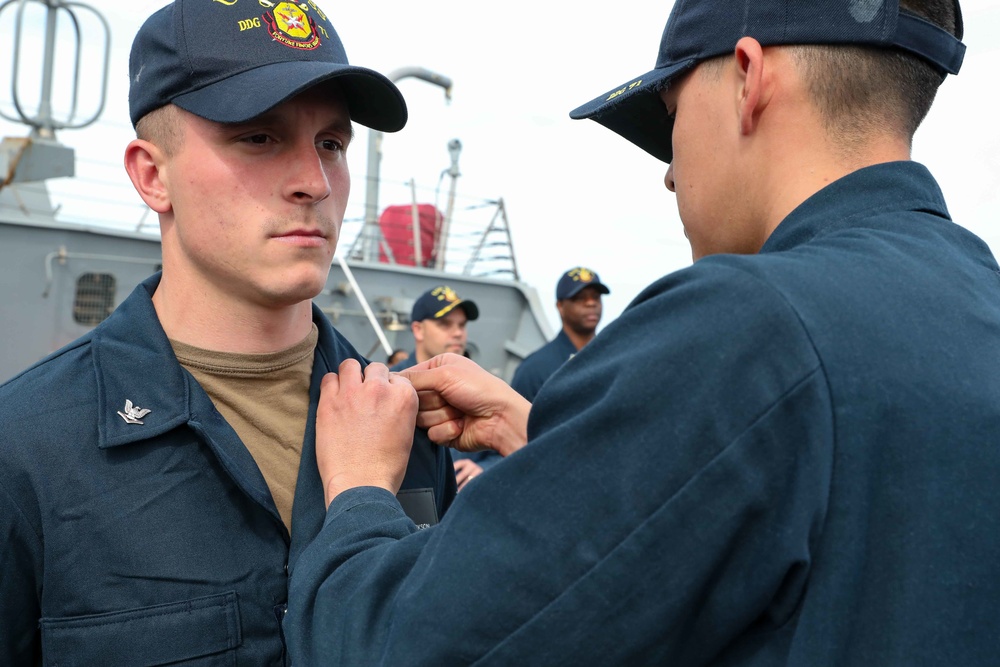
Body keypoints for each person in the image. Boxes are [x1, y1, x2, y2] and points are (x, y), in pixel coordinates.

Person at [285, 0, 1000, 664]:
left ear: (747, 78)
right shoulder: (975, 298)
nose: (668, 175)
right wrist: (543, 439)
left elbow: (403, 643)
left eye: (671, 114)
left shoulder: (745, 325)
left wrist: (356, 490)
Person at [0, 1, 456, 664]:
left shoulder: (405, 420)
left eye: (331, 143)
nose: (314, 182)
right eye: (258, 137)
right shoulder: (27, 450)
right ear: (153, 175)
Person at [391, 284, 498, 488]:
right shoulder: (390, 385)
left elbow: (505, 452)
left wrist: (484, 470)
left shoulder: (485, 385)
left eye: (462, 325)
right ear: (418, 330)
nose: (458, 333)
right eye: (445, 324)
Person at [510, 266, 610, 401]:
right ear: (560, 306)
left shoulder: (613, 357)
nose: (591, 303)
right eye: (580, 298)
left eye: (596, 297)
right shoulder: (535, 370)